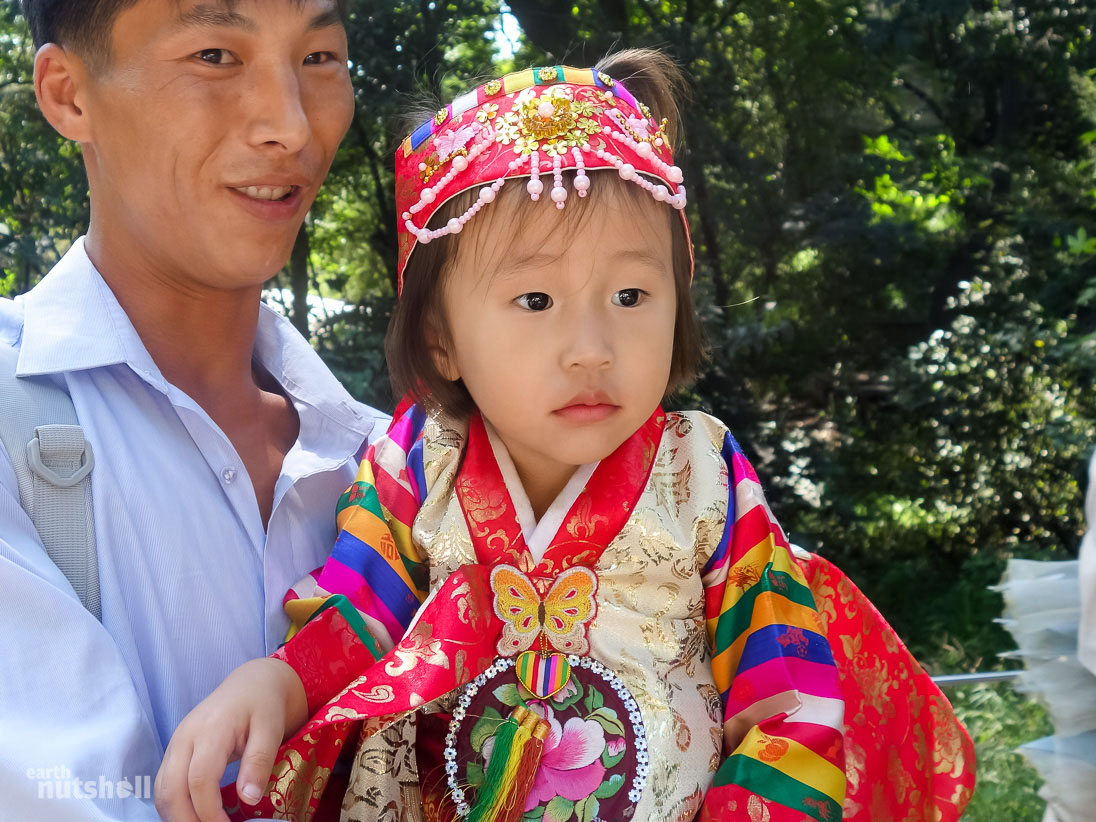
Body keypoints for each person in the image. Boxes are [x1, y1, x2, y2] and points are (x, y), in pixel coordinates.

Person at [156, 51, 975, 822]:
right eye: (536, 301)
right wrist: (277, 681)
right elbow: (357, 613)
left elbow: (789, 694)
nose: (592, 347)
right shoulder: (416, 461)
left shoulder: (704, 477)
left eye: (630, 294)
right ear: (441, 340)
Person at [0, 2, 384, 820]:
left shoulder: (393, 466)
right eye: (215, 55)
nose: (291, 125)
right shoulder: (11, 415)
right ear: (69, 94)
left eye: (319, 57)